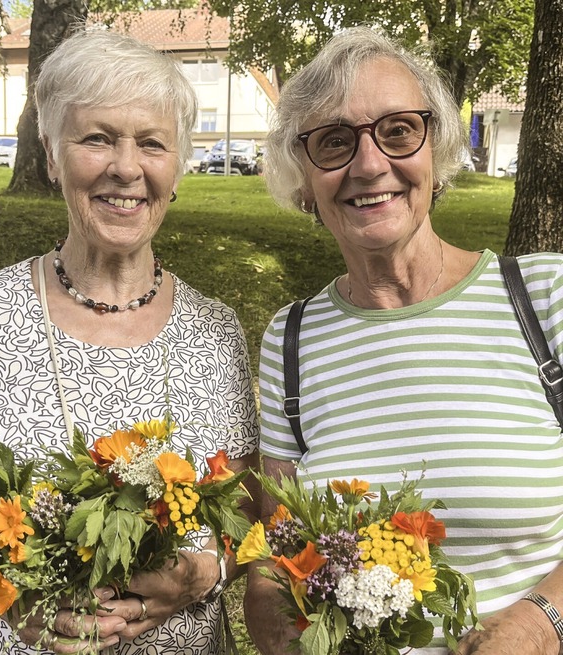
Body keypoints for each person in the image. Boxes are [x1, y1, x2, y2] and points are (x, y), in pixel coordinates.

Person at [0, 29, 259, 655]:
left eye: (152, 144)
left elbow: (246, 519)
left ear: (177, 165)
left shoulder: (216, 333)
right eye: (97, 138)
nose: (126, 167)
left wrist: (205, 572)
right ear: (51, 154)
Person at [244, 25, 563, 655]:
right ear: (302, 180)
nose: (369, 164)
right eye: (334, 142)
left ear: (436, 150)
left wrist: (541, 620)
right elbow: (271, 565)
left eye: (397, 131)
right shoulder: (291, 339)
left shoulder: (546, 298)